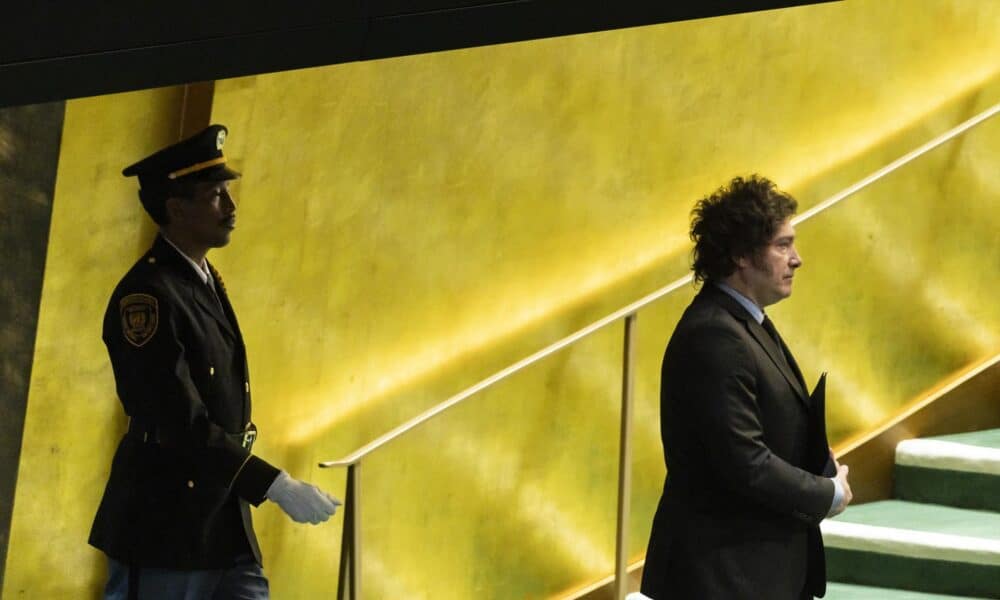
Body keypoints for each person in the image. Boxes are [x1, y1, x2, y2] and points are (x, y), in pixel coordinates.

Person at [90, 125, 340, 600]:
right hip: (165, 521)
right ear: (176, 208)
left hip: (221, 515)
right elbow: (175, 417)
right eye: (215, 195)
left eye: (228, 192)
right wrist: (274, 484)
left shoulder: (201, 280)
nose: (231, 207)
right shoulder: (148, 296)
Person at [639, 175, 852, 600]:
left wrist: (811, 458)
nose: (797, 259)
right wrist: (824, 493)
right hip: (723, 578)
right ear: (740, 255)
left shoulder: (743, 324)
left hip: (751, 572)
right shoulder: (715, 335)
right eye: (782, 245)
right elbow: (745, 463)